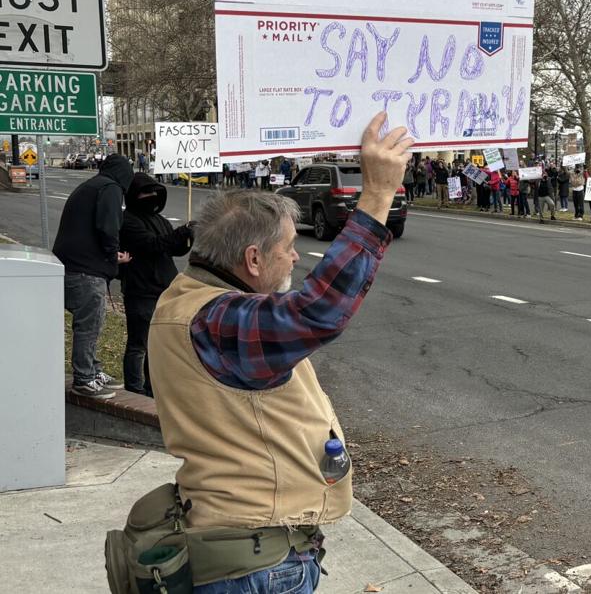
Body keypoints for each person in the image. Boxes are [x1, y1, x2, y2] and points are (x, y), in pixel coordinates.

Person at [142, 112, 413, 594]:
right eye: (288, 248)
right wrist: (377, 197)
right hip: (256, 561)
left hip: (240, 548)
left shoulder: (186, 297)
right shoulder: (215, 321)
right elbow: (318, 312)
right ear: (252, 259)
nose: (296, 257)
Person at [54, 154, 135, 400]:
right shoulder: (110, 189)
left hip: (72, 264)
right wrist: (113, 256)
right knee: (89, 324)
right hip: (86, 270)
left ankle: (93, 369)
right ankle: (85, 379)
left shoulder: (92, 185)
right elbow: (108, 226)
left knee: (91, 322)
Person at [118, 173, 194, 396]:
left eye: (154, 193)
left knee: (157, 344)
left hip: (164, 289)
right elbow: (152, 244)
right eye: (146, 193)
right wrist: (181, 232)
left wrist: (186, 239)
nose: (151, 197)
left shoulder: (159, 220)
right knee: (139, 343)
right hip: (141, 290)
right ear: (134, 195)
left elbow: (171, 248)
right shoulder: (129, 220)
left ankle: (152, 388)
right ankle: (133, 389)